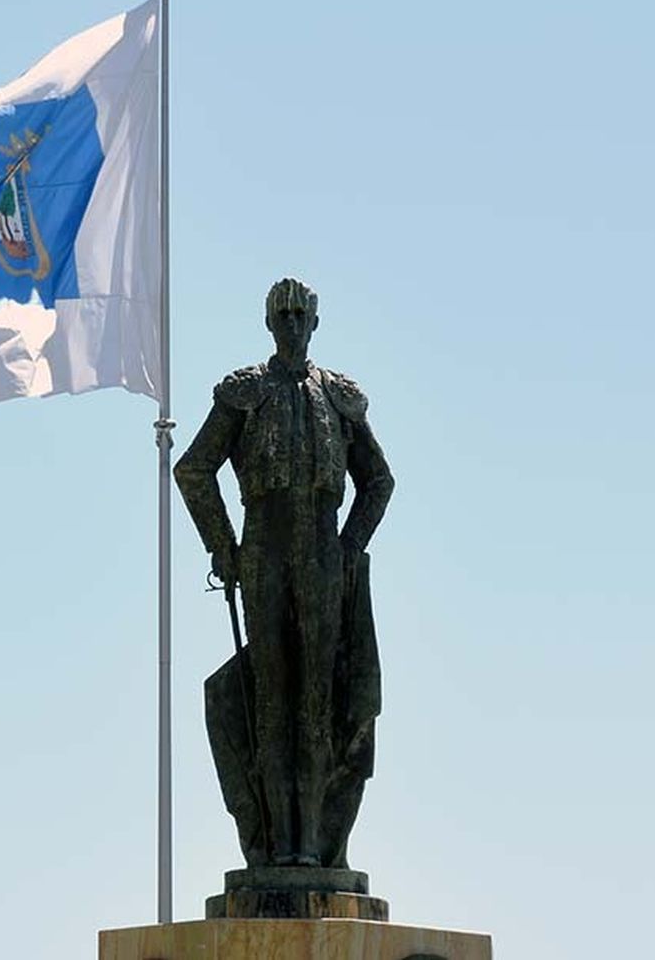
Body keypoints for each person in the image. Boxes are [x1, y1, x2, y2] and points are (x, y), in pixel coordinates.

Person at [175, 277, 394, 868]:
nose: (293, 324)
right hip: (264, 549)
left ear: (314, 323)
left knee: (317, 704)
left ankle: (317, 847)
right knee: (271, 700)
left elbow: (379, 480)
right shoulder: (246, 393)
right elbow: (193, 469)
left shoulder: (340, 398)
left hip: (323, 553)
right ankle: (277, 847)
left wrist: (349, 547)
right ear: (269, 324)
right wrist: (225, 548)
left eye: (301, 315)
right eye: (283, 316)